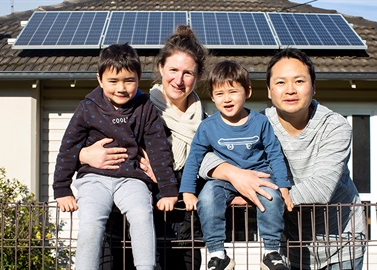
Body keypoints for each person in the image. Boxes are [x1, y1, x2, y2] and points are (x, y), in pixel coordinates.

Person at [200, 48, 366, 269]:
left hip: (339, 244)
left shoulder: (334, 126)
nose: (290, 90)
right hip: (285, 246)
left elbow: (321, 188)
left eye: (299, 81)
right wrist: (234, 174)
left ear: (314, 87)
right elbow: (203, 156)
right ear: (269, 91)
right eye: (280, 83)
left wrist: (259, 197)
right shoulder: (258, 125)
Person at [79, 25, 214, 270]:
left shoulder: (207, 123)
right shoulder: (135, 109)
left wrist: (168, 178)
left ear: (198, 76)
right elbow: (91, 144)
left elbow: (208, 173)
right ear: (161, 68)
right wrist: (83, 154)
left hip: (182, 233)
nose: (179, 80)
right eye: (173, 70)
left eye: (188, 73)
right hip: (123, 232)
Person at [53, 43, 179, 270]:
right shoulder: (88, 107)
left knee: (142, 215)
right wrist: (62, 189)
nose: (121, 88)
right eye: (113, 81)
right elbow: (69, 146)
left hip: (132, 179)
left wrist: (168, 190)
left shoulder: (145, 108)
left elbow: (158, 148)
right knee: (91, 223)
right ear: (100, 80)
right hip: (93, 179)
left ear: (139, 79)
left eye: (129, 80)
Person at [179, 60, 294, 270]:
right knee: (206, 198)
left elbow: (275, 154)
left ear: (247, 91)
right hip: (223, 180)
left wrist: (284, 186)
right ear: (212, 97)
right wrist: (187, 191)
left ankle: (271, 252)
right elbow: (194, 158)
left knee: (272, 197)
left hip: (259, 175)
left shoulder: (260, 122)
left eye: (233, 91)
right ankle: (217, 254)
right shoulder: (207, 126)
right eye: (220, 94)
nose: (227, 99)